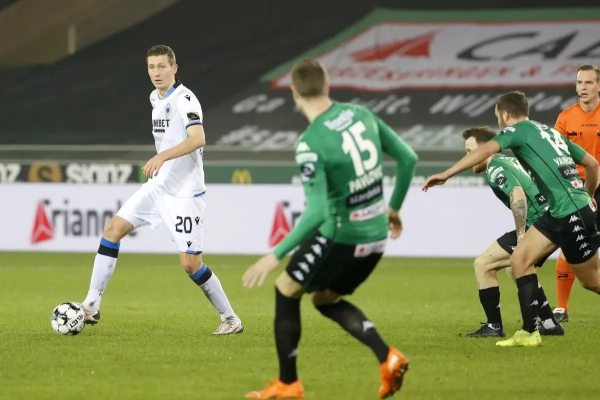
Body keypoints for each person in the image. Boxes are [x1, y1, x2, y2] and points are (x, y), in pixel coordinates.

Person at [242, 59, 418, 399]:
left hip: (342, 236)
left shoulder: (310, 143)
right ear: (327, 84)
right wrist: (393, 208)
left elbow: (317, 213)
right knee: (324, 298)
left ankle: (288, 384)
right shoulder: (361, 114)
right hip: (376, 237)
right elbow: (408, 159)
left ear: (294, 92)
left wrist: (274, 255)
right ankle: (388, 357)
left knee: (285, 288)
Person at [79, 45, 243, 336]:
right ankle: (91, 304)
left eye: (162, 66)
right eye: (151, 67)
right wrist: (163, 162)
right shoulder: (155, 98)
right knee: (112, 229)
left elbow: (198, 138)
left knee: (191, 264)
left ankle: (230, 318)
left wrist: (162, 156)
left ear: (174, 68)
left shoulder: (185, 99)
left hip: (185, 194)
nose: (156, 72)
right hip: (158, 187)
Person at [423, 90, 600, 347]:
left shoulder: (517, 132)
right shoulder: (550, 132)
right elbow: (593, 164)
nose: (499, 123)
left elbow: (487, 151)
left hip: (571, 213)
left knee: (591, 282)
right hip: (558, 211)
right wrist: (589, 195)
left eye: (498, 117)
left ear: (506, 114)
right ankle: (530, 331)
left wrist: (447, 173)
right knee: (519, 260)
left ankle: (534, 325)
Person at [460, 127, 563, 338]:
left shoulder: (495, 168)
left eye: (470, 151)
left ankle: (494, 326)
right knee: (515, 268)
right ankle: (550, 323)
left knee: (483, 264)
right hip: (552, 220)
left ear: (486, 149)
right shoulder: (510, 161)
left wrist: (522, 235)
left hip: (540, 225)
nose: (467, 157)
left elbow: (518, 194)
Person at [552, 64, 600, 323]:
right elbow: (555, 155)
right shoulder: (566, 117)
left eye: (589, 82)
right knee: (570, 242)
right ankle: (561, 308)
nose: (583, 87)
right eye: (580, 82)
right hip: (576, 189)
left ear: (598, 86)